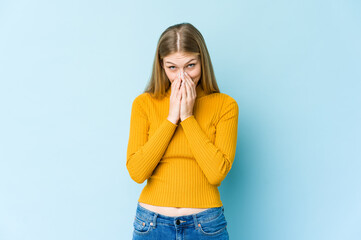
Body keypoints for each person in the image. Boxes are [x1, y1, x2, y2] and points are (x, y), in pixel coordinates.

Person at [126, 22, 238, 239]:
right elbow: (137, 172)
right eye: (172, 68)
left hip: (205, 226)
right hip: (151, 224)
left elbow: (216, 174)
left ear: (202, 62)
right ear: (161, 66)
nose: (182, 77)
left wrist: (187, 117)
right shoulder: (143, 104)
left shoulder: (225, 106)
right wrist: (171, 119)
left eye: (190, 66)